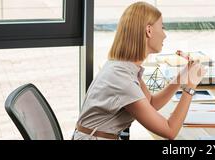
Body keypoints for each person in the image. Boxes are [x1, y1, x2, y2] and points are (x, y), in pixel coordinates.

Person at [73, 2, 205, 140]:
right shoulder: (121, 78)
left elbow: (151, 104)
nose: (164, 35)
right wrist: (190, 87)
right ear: (149, 30)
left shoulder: (124, 67)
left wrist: (182, 77)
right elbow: (170, 131)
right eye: (162, 27)